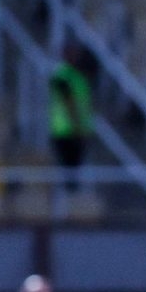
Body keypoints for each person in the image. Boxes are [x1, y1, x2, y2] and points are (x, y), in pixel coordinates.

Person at [50, 43, 94, 191]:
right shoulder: (62, 75)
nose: (76, 57)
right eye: (72, 54)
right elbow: (69, 103)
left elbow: (83, 102)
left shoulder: (78, 76)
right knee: (68, 171)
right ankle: (66, 197)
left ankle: (71, 196)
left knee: (75, 170)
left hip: (77, 129)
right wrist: (77, 128)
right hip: (66, 131)